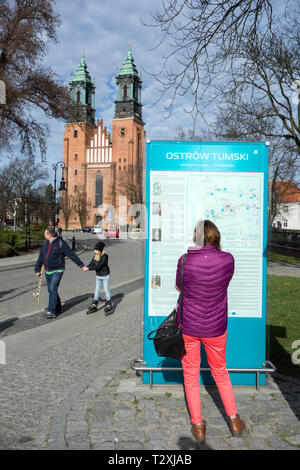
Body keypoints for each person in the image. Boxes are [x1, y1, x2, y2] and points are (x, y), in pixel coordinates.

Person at [175, 220, 246, 444]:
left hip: (189, 326)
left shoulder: (184, 260)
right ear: (215, 235)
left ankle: (198, 426)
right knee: (220, 372)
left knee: (191, 375)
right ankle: (234, 420)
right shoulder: (228, 260)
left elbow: (179, 287)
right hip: (215, 327)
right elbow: (224, 284)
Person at [35, 228, 88, 319]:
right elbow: (41, 257)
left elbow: (71, 254)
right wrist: (37, 269)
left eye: (45, 233)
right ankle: (58, 307)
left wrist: (81, 265)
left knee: (52, 289)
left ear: (49, 235)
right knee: (52, 290)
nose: (44, 234)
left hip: (58, 270)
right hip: (48, 271)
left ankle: (51, 311)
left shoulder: (60, 243)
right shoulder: (45, 244)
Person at [86, 241, 113, 315]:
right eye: (95, 249)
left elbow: (99, 266)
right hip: (98, 276)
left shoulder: (105, 256)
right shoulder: (96, 255)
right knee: (97, 290)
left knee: (106, 290)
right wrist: (86, 267)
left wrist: (89, 269)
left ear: (100, 250)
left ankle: (109, 304)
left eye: (96, 250)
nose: (95, 251)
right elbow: (92, 263)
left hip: (105, 276)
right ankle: (94, 304)